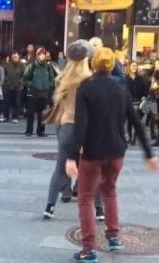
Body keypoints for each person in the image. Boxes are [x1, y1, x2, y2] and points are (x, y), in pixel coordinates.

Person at [65, 47, 159, 263]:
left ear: (93, 64)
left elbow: (80, 126)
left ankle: (88, 249)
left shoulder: (86, 88)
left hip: (92, 151)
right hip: (117, 151)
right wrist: (149, 153)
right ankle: (113, 236)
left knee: (86, 198)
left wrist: (71, 157)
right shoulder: (121, 89)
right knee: (110, 191)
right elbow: (135, 122)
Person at [43, 40, 104, 219]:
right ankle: (99, 209)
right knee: (94, 168)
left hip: (65, 125)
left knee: (60, 167)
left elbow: (60, 104)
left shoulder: (63, 78)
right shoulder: (90, 79)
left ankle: (49, 206)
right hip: (87, 127)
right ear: (86, 58)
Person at [23, 48, 56, 137]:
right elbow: (25, 79)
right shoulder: (32, 66)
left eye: (43, 54)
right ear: (37, 55)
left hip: (44, 94)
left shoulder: (48, 67)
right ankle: (29, 131)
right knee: (31, 114)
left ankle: (41, 131)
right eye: (40, 54)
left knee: (43, 115)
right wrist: (32, 84)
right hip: (32, 94)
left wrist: (48, 85)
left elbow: (52, 79)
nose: (42, 56)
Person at [125, 61, 149, 145]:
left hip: (138, 101)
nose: (134, 67)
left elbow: (145, 91)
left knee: (136, 119)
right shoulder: (125, 78)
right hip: (128, 101)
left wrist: (144, 98)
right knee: (129, 121)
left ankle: (134, 139)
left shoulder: (140, 78)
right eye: (132, 66)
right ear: (129, 67)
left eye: (135, 66)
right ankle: (129, 137)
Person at [3, 51, 25, 123]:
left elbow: (24, 76)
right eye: (13, 57)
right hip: (9, 86)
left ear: (18, 57)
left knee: (17, 102)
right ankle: (6, 116)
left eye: (16, 57)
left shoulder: (22, 65)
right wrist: (6, 81)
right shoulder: (8, 65)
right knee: (7, 102)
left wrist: (20, 82)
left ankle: (15, 117)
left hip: (18, 87)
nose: (14, 58)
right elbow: (5, 74)